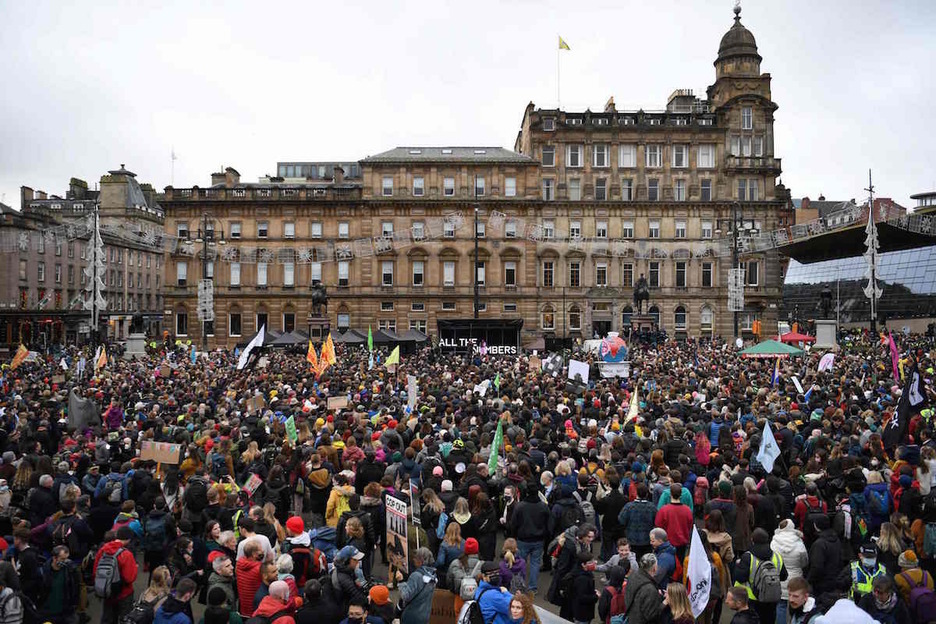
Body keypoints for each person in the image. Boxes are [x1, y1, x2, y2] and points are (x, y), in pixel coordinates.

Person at [734, 528, 786, 624]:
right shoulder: (777, 556)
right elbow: (784, 576)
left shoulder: (748, 557)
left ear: (752, 540)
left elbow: (740, 577)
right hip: (771, 598)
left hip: (752, 598)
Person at [510, 483, 552, 594]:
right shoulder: (543, 506)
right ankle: (532, 588)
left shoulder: (520, 506)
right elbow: (549, 523)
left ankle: (520, 586)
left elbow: (513, 523)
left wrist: (513, 536)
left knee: (520, 563)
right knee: (535, 563)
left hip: (523, 539)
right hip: (538, 539)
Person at [94, 525, 139, 624]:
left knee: (108, 617)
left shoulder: (103, 550)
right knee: (125, 618)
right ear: (128, 539)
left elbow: (95, 571)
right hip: (124, 593)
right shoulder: (126, 554)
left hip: (107, 590)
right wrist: (135, 568)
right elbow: (129, 578)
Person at [770, 520, 809, 624]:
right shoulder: (799, 542)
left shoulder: (774, 542)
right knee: (796, 605)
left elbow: (771, 560)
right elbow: (804, 560)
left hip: (779, 577)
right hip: (796, 578)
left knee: (781, 605)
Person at [37, 545, 80, 624]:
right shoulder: (43, 571)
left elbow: (74, 589)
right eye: (63, 559)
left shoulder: (70, 571)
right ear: (54, 558)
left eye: (67, 558)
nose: (65, 561)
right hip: (47, 613)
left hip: (65, 612)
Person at [398, 548, 438, 624]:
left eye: (416, 557)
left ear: (421, 561)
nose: (413, 559)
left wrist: (401, 581)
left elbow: (405, 595)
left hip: (411, 617)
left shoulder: (416, 576)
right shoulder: (433, 575)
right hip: (425, 616)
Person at [655, 484, 694, 560]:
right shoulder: (687, 510)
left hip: (667, 543)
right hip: (682, 542)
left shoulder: (664, 510)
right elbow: (690, 525)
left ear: (670, 494)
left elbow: (658, 526)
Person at [618, 483, 657, 558]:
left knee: (632, 562)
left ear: (637, 493)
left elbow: (621, 520)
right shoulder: (652, 507)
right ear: (646, 494)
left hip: (631, 539)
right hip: (647, 540)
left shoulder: (629, 506)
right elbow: (656, 522)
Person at [623, 554, 664, 624]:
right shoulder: (650, 590)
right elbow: (651, 616)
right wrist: (664, 603)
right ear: (654, 568)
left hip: (630, 618)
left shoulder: (633, 575)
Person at [560, 551, 599, 624]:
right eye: (590, 562)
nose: (594, 563)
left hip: (578, 611)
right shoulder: (582, 579)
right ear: (583, 565)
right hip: (582, 614)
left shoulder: (577, 573)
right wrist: (595, 596)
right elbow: (582, 597)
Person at [236, 540, 265, 616]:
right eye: (260, 550)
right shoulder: (259, 569)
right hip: (256, 608)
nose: (263, 551)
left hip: (243, 608)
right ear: (254, 554)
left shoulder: (239, 564)